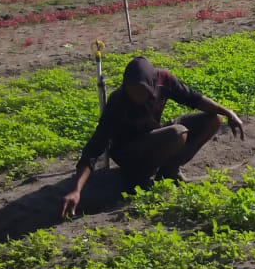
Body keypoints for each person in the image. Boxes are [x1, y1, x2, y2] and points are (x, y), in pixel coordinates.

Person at [61, 56, 243, 218]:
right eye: (131, 91)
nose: (136, 97)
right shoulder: (118, 102)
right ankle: (140, 178)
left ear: (152, 84)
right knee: (177, 133)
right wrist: (76, 189)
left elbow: (193, 98)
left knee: (214, 119)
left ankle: (169, 172)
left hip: (153, 133)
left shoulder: (164, 80)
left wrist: (228, 112)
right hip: (129, 151)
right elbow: (94, 147)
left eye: (141, 91)